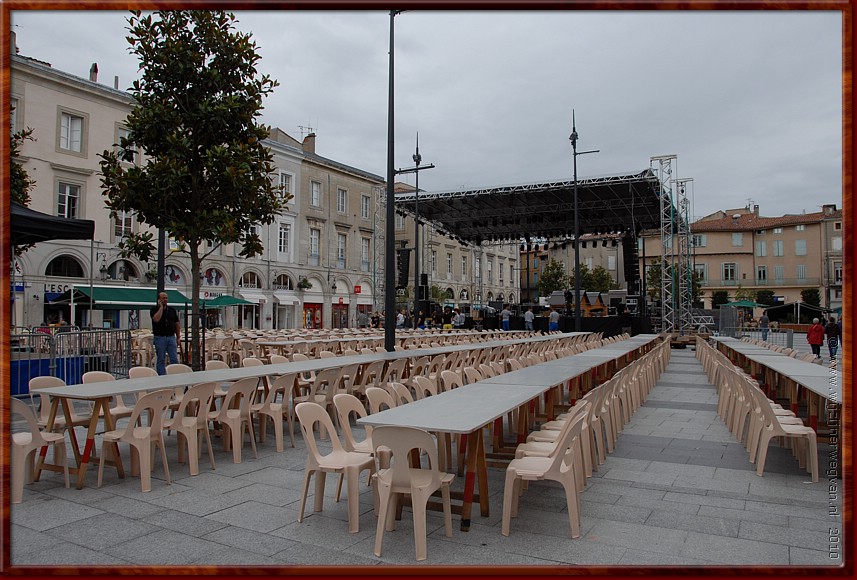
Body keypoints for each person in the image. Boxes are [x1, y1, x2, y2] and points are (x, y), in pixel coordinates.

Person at [150, 291, 180, 375]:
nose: (165, 300)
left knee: (174, 358)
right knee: (161, 359)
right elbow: (156, 319)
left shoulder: (172, 310)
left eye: (166, 298)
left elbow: (177, 323)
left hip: (171, 337)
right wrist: (161, 308)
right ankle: (162, 376)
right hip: (160, 337)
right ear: (159, 300)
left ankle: (175, 374)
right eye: (163, 298)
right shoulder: (154, 309)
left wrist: (178, 337)